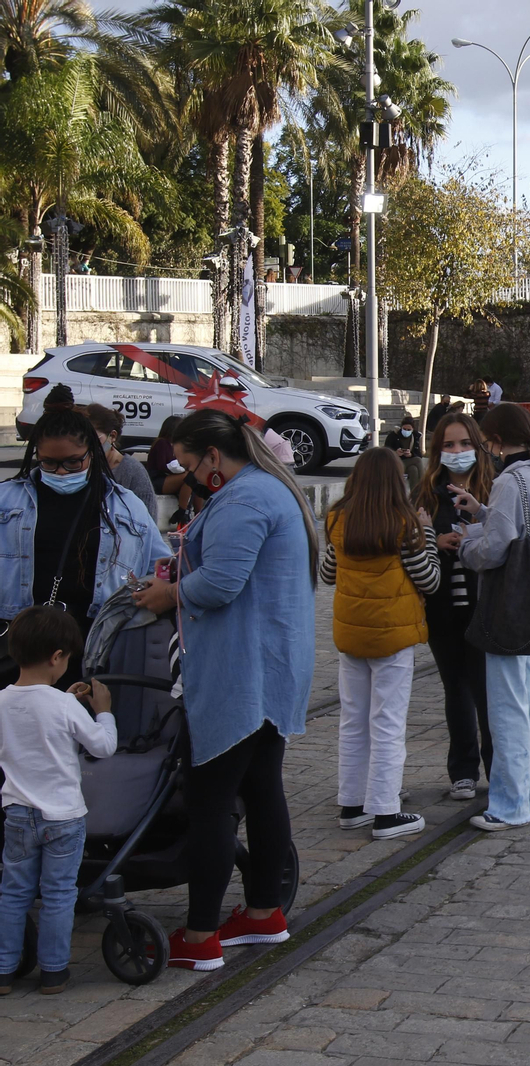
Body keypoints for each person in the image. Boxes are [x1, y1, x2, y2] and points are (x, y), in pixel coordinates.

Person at [129, 410, 318, 971]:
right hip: (271, 670)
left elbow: (221, 582)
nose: (187, 476)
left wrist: (168, 595)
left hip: (242, 674)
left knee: (211, 802)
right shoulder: (268, 490)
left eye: (189, 464)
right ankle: (263, 913)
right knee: (261, 790)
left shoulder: (243, 499)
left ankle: (202, 933)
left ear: (214, 455)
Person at [455, 404, 530, 832]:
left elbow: (496, 547)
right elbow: (525, 528)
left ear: (497, 440)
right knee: (528, 705)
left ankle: (508, 805)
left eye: (486, 442)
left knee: (507, 709)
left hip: (510, 604)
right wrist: (481, 511)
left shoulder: (509, 479)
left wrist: (466, 544)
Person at [0, 392, 167, 672]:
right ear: (36, 455)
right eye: (49, 463)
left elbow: (158, 566)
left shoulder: (125, 504)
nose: (62, 472)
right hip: (17, 645)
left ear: (92, 451)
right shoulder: (6, 501)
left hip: (95, 644)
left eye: (73, 462)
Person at [322, 449, 440, 840]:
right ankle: (386, 812)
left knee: (353, 721)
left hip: (351, 635)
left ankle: (352, 804)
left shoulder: (338, 520)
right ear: (396, 481)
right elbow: (429, 581)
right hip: (393, 636)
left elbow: (327, 573)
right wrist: (430, 537)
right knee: (387, 723)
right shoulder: (404, 525)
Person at [0, 607, 117, 995]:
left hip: (18, 812)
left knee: (14, 893)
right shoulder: (65, 706)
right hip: (64, 818)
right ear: (57, 657)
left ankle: (3, 970)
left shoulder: (2, 701)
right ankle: (53, 971)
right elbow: (102, 747)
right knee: (59, 894)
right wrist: (103, 713)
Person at [413, 412, 507, 797]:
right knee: (456, 688)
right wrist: (435, 540)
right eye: (449, 445)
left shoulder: (495, 487)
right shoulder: (426, 494)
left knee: (488, 691)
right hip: (443, 608)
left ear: (478, 445)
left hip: (485, 606)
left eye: (464, 443)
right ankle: (462, 770)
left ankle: (498, 766)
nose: (457, 451)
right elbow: (410, 543)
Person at [84, 404, 158, 522]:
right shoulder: (80, 467)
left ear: (112, 436)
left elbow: (148, 521)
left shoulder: (132, 470)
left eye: (93, 439)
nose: (87, 445)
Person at [384, 415, 425, 488]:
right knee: (418, 460)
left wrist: (410, 454)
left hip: (408, 463)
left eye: (409, 430)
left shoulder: (415, 437)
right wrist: (395, 453)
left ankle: (415, 496)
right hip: (395, 463)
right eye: (404, 429)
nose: (406, 431)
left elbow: (419, 454)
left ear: (412, 429)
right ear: (401, 427)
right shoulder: (393, 436)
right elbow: (385, 452)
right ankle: (425, 486)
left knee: (413, 470)